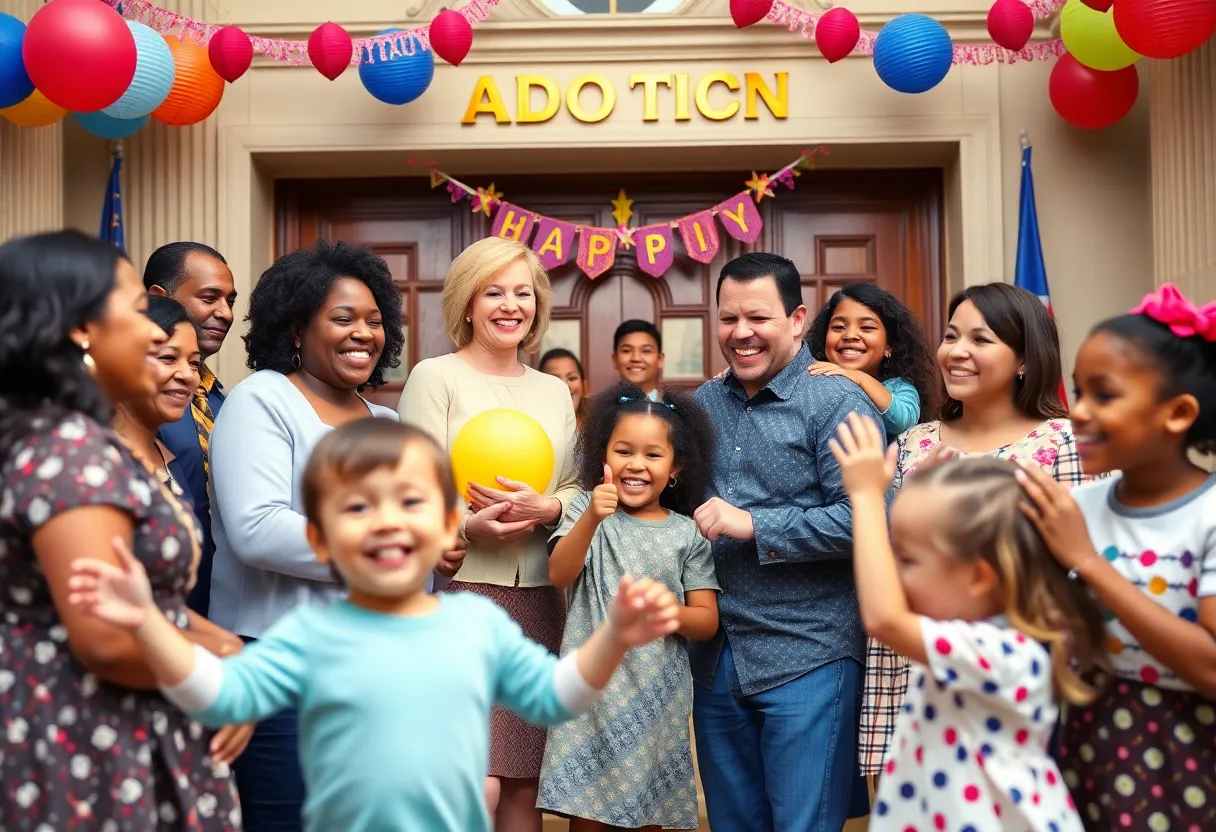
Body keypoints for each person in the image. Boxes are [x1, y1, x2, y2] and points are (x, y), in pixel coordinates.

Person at [67, 418, 684, 832]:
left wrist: (613, 636)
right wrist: (147, 621)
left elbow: (556, 696)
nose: (388, 523)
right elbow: (222, 693)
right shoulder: (311, 635)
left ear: (448, 523)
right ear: (319, 537)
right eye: (359, 507)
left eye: (410, 502)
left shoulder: (476, 625)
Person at [0, 230, 241, 830]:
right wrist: (219, 679)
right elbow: (107, 638)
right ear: (83, 330)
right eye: (137, 310)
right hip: (94, 741)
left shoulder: (68, 436)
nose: (156, 329)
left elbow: (141, 603)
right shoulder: (70, 449)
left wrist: (226, 646)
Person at [208, 240, 405, 832]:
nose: (363, 334)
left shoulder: (388, 423)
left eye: (374, 321)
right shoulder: (261, 400)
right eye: (343, 318)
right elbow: (259, 530)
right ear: (296, 328)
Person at [829, 413, 1104, 831]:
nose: (894, 574)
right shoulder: (960, 629)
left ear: (978, 577)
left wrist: (866, 499)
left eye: (908, 560)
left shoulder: (1007, 652)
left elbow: (884, 617)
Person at [860, 282, 1088, 776]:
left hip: (1015, 678)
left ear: (1025, 359)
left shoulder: (1063, 441)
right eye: (950, 335)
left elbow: (1081, 570)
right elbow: (891, 559)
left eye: (981, 340)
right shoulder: (915, 443)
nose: (956, 352)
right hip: (911, 663)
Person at [690, 252, 882, 831]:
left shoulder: (836, 402)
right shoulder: (701, 404)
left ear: (797, 320)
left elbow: (870, 519)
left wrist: (756, 524)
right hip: (719, 656)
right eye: (727, 319)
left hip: (811, 651)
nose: (740, 333)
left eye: (758, 318)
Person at [1016, 284, 1216, 830]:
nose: (1078, 412)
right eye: (1078, 392)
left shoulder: (1210, 515)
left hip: (1190, 748)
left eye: (1104, 395)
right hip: (1085, 733)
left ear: (1177, 413)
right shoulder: (1074, 506)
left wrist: (1088, 561)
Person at [399, 236, 579, 832]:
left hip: (539, 601)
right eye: (493, 292)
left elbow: (577, 487)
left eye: (522, 293)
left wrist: (550, 506)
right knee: (473, 778)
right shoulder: (434, 377)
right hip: (459, 592)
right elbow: (411, 484)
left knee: (526, 783)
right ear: (467, 304)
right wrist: (463, 525)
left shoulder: (554, 390)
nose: (510, 305)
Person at [539, 384, 720, 831]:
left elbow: (706, 620)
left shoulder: (687, 534)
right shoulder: (586, 508)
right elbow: (560, 574)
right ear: (603, 456)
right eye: (623, 451)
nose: (636, 465)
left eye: (653, 455)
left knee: (647, 812)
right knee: (590, 813)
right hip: (592, 693)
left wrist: (669, 614)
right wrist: (591, 518)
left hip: (655, 699)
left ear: (675, 467)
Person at [145, 241, 237, 616]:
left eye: (230, 300)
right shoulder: (134, 405)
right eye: (210, 298)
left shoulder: (223, 402)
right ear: (159, 299)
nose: (225, 313)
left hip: (221, 607)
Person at [805, 283, 937, 437]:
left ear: (889, 346)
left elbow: (901, 421)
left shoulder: (899, 387)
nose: (850, 335)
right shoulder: (812, 379)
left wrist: (859, 378)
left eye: (867, 327)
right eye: (839, 327)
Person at [612, 319, 664, 400]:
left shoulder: (677, 411)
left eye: (646, 351)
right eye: (626, 350)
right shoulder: (595, 410)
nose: (636, 358)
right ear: (614, 359)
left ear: (660, 359)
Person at [539, 347, 590, 429]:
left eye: (572, 378)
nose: (565, 386)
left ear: (584, 386)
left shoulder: (597, 431)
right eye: (555, 379)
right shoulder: (532, 428)